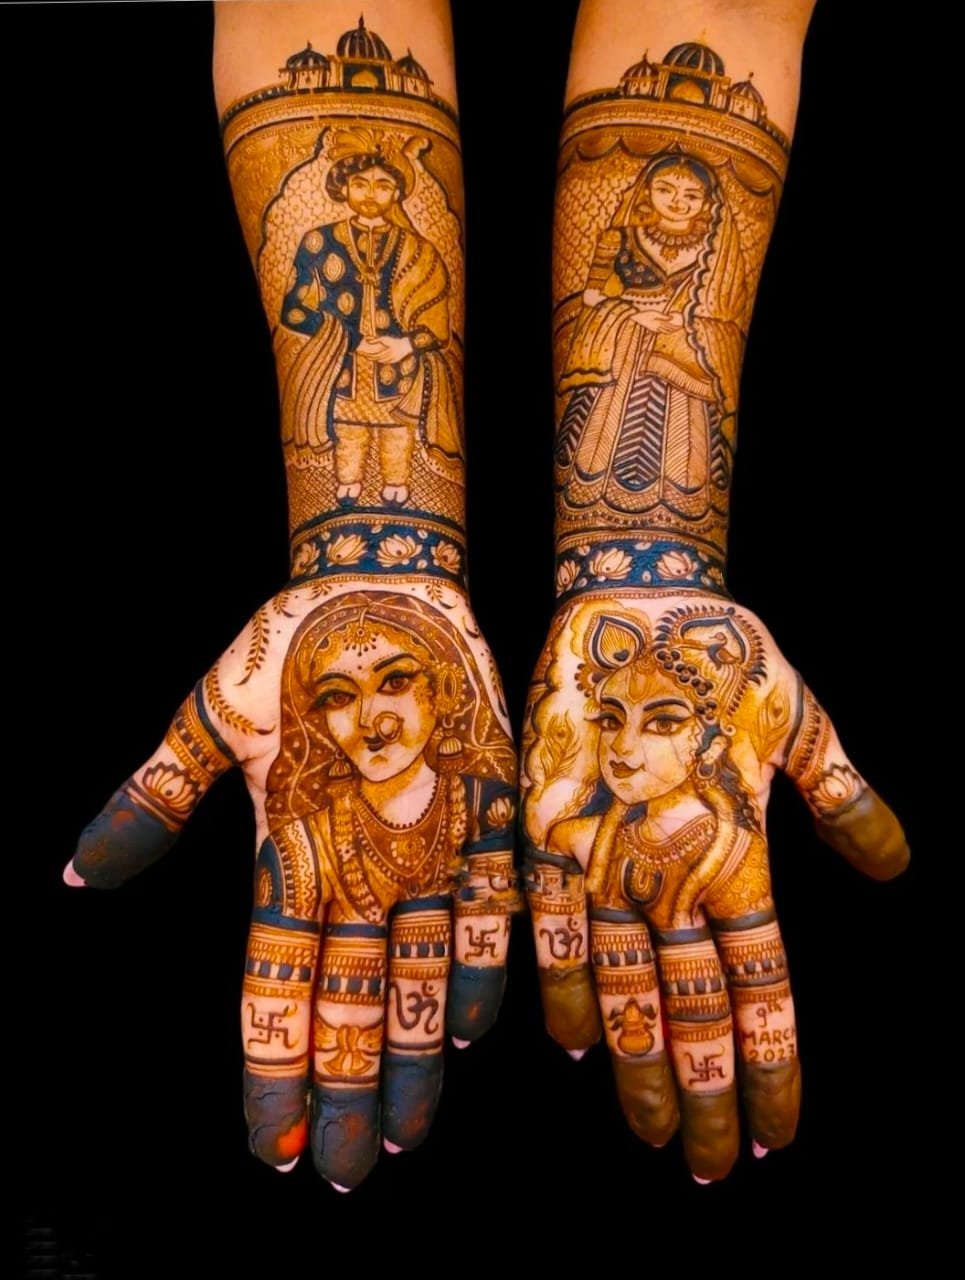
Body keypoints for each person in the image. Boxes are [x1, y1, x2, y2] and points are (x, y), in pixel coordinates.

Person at [554, 152, 745, 539]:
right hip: (624, 344)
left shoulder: (713, 249)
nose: (678, 202)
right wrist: (633, 314)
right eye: (666, 189)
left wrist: (688, 324)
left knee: (682, 445)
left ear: (708, 202)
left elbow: (723, 311)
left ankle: (666, 533)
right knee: (600, 439)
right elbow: (591, 296)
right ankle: (597, 527)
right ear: (646, 191)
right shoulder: (619, 238)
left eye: (691, 195)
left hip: (681, 354)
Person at [278, 126, 464, 507]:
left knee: (397, 427)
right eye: (360, 184)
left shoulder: (418, 249)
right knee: (348, 427)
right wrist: (350, 339)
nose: (370, 195)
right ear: (343, 188)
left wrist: (405, 345)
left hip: (399, 367)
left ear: (396, 192)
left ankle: (397, 484)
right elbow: (293, 311)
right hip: (342, 363)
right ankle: (348, 484)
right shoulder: (320, 241)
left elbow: (438, 321)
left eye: (382, 186)